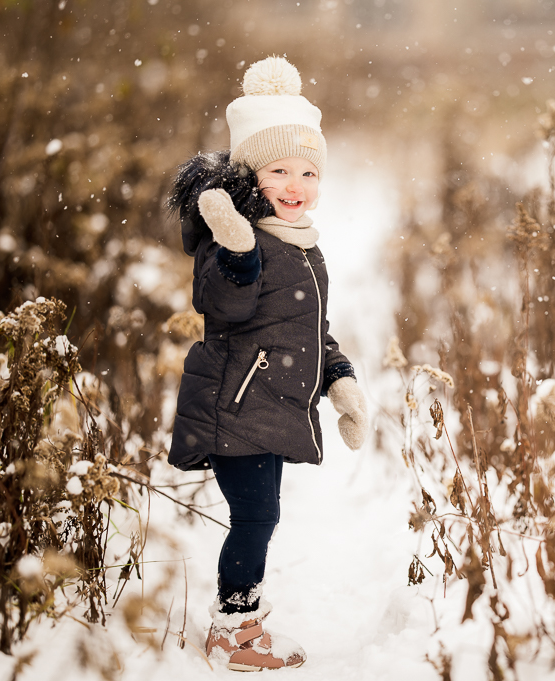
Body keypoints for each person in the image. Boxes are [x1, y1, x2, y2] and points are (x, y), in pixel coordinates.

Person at [166, 56, 368, 672]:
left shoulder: (302, 242)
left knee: (261, 516)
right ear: (251, 178)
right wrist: (237, 250)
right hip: (237, 404)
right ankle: (233, 630)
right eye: (279, 169)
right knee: (256, 517)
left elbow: (306, 329)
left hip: (267, 408)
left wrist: (339, 380)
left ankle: (240, 623)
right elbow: (222, 305)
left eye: (308, 170)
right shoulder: (237, 240)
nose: (296, 183)